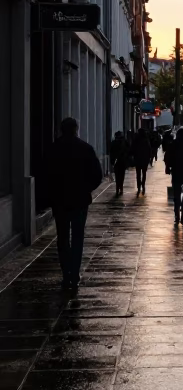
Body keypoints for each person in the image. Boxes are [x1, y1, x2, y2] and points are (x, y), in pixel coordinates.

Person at [43, 118, 103, 290]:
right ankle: (74, 272)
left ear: (61, 130)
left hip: (60, 200)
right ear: (76, 129)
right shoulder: (85, 149)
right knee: (77, 237)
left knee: (62, 237)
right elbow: (97, 175)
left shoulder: (53, 149)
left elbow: (45, 174)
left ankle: (66, 273)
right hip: (79, 200)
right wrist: (86, 189)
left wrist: (51, 194)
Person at [132, 127, 152, 195]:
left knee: (138, 173)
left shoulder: (136, 140)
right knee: (144, 173)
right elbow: (149, 149)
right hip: (144, 159)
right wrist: (149, 158)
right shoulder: (146, 140)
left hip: (138, 159)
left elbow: (133, 149)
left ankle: (139, 186)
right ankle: (143, 184)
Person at [109, 130, 129, 197]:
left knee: (117, 176)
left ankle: (118, 188)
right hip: (122, 161)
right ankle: (121, 188)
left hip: (116, 162)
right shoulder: (124, 142)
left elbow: (111, 152)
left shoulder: (113, 143)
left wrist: (112, 162)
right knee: (122, 176)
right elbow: (128, 150)